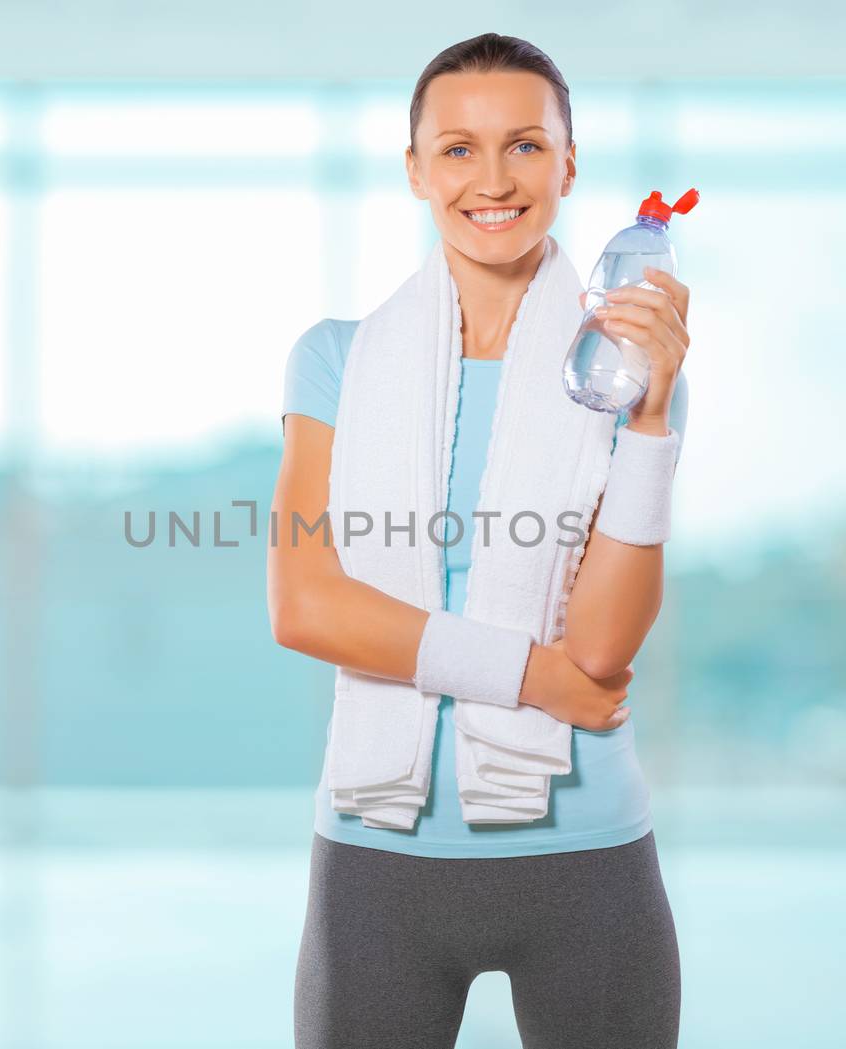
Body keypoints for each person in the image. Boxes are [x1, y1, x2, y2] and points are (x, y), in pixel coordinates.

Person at [269, 34, 693, 1049]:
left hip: (585, 858)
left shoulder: (626, 373)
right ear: (415, 169)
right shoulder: (334, 361)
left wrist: (650, 417)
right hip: (377, 863)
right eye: (457, 150)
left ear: (568, 163)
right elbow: (305, 604)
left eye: (525, 147)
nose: (492, 180)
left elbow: (599, 653)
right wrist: (532, 678)